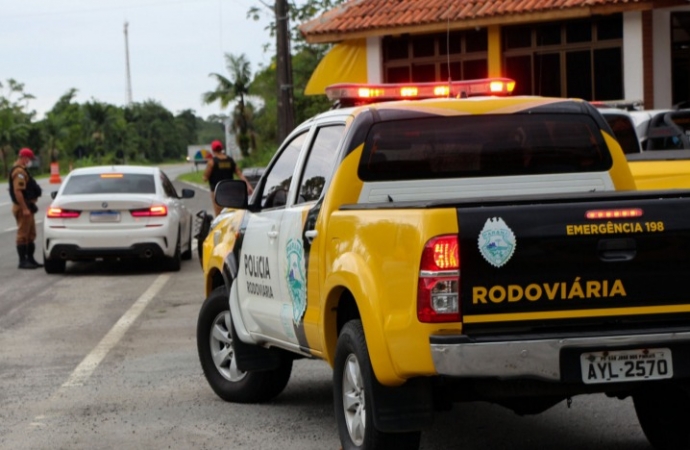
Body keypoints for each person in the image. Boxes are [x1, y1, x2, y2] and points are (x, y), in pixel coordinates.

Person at [9, 148, 43, 269]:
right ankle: (22, 261)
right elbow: (18, 191)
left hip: (28, 206)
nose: (30, 162)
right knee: (23, 234)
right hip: (23, 207)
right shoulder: (19, 172)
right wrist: (24, 208)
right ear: (24, 158)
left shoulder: (23, 170)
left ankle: (31, 259)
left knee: (31, 234)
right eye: (29, 159)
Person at [202, 140, 254, 216]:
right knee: (230, 213)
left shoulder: (212, 162)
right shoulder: (230, 160)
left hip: (217, 191)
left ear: (213, 150)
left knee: (219, 214)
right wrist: (248, 185)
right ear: (221, 148)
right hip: (230, 191)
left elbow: (205, 178)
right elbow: (239, 174)